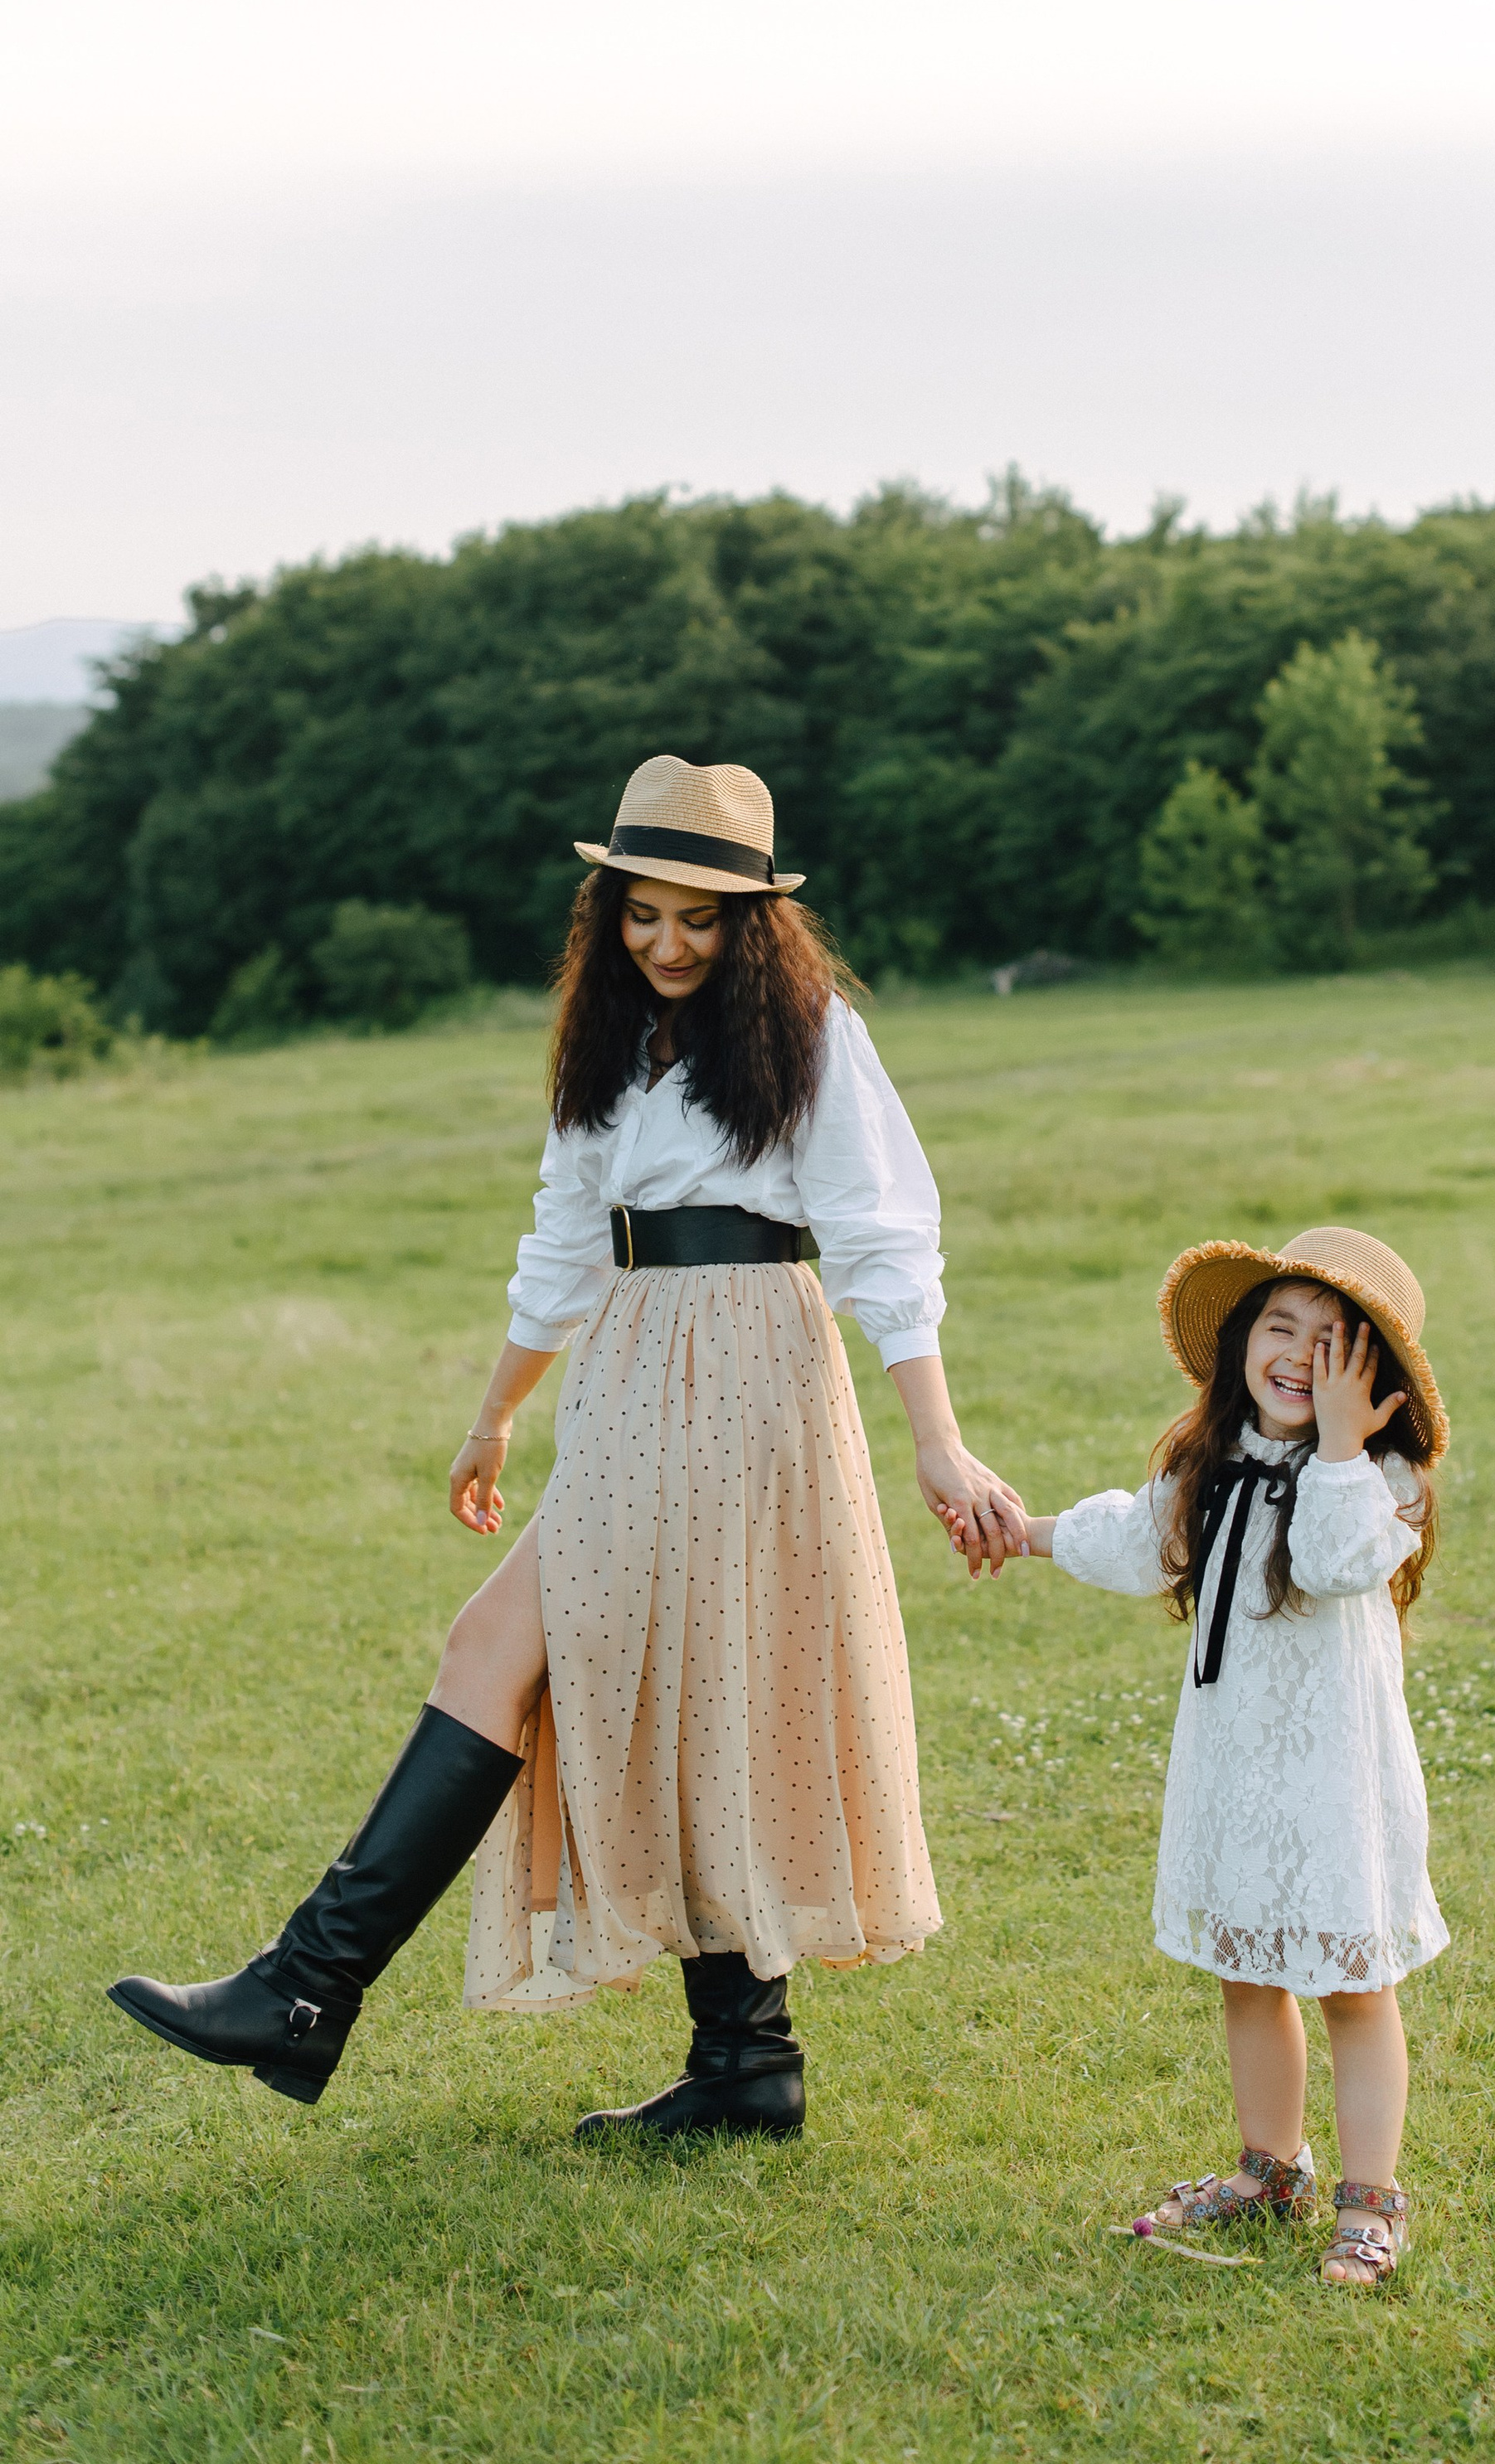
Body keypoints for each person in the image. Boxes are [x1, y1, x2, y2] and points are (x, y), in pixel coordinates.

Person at [109, 757, 1027, 2141]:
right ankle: (743, 2065)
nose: (667, 943)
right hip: (631, 1376)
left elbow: (886, 1237)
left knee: (516, 1650)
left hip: (752, 1372)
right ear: (608, 914)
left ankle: (307, 1990)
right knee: (662, 1684)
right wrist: (495, 1415)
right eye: (642, 914)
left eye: (699, 918)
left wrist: (937, 1445)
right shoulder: (609, 1049)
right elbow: (562, 1246)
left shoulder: (811, 1035)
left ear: (751, 924)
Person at [968, 1225, 1446, 2287]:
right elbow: (1142, 1543)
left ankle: (1373, 2200)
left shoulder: (1380, 1481)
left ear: (1374, 1380)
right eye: (1281, 1327)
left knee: (1350, 1981)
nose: (1299, 1356)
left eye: (1335, 1344)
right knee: (1247, 1968)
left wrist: (1333, 1444)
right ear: (1240, 1339)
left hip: (1332, 1779)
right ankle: (1271, 2166)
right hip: (1236, 1767)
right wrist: (1024, 1530)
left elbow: (1326, 1561)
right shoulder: (1217, 1462)